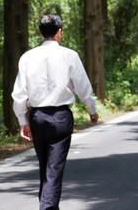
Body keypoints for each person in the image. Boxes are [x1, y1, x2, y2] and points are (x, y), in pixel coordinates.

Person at [12, 14, 98, 210]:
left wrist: (22, 121)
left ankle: (48, 205)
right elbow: (83, 87)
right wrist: (91, 110)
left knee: (46, 167)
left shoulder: (27, 57)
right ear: (60, 32)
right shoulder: (69, 55)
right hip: (61, 117)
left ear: (41, 33)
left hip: (37, 117)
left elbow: (19, 93)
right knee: (54, 170)